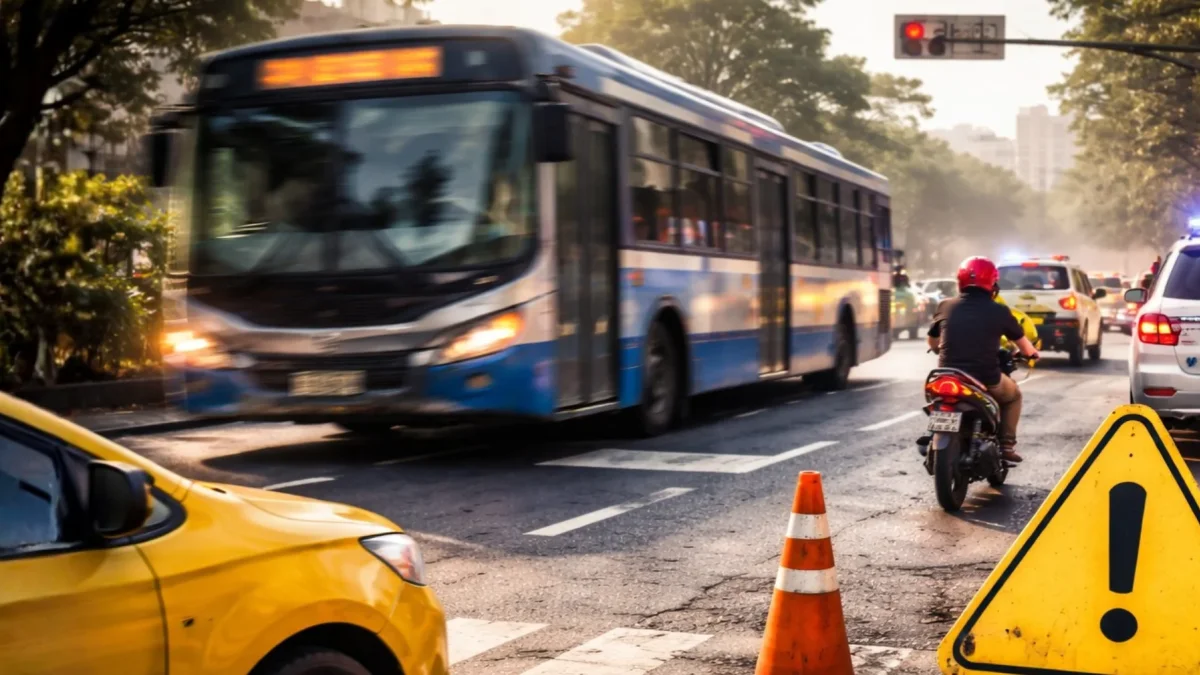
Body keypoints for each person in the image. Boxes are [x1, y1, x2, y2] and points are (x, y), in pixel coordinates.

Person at [927, 257, 1040, 463]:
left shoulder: (945, 305)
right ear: (992, 283)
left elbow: (933, 343)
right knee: (1013, 396)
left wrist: (940, 347)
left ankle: (932, 436)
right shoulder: (999, 311)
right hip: (985, 378)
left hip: (945, 375)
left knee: (934, 397)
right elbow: (1025, 347)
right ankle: (1006, 445)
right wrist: (1031, 354)